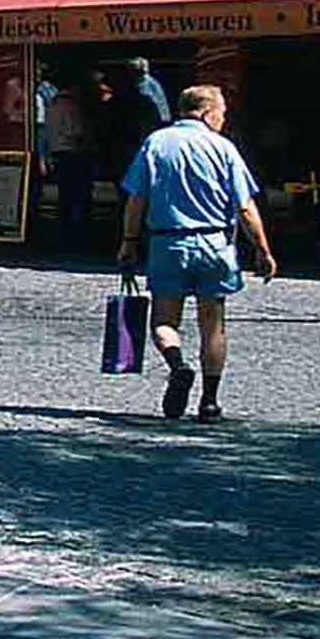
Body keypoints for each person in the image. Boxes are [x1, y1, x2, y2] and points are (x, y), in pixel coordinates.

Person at [117, 84, 279, 423]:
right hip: (214, 245)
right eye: (221, 113)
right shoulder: (224, 148)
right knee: (213, 324)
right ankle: (209, 401)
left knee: (163, 320)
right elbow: (245, 207)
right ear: (207, 113)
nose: (223, 119)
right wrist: (262, 249)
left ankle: (178, 365)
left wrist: (129, 241)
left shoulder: (155, 143)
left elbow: (136, 200)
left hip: (168, 242)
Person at [41, 77, 97, 252]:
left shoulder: (52, 104)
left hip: (57, 152)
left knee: (64, 195)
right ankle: (78, 233)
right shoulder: (71, 105)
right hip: (72, 153)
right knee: (78, 195)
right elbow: (76, 131)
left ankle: (64, 230)